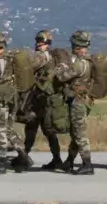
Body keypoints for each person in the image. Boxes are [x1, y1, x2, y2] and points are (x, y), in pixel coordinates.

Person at [0, 32, 31, 174]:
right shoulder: (9, 59)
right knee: (8, 129)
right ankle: (23, 154)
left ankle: (1, 163)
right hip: (10, 98)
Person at [53, 30, 94, 175]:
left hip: (78, 101)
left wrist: (60, 69)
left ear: (76, 46)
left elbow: (63, 77)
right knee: (76, 132)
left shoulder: (79, 64)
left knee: (79, 133)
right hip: (85, 100)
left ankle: (87, 164)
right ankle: (69, 161)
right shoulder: (89, 61)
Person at [23, 30, 63, 170]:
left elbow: (29, 66)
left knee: (45, 129)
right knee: (34, 127)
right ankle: (25, 155)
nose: (39, 45)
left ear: (47, 44)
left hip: (44, 99)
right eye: (38, 42)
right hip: (40, 98)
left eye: (42, 43)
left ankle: (56, 159)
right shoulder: (46, 55)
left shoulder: (43, 56)